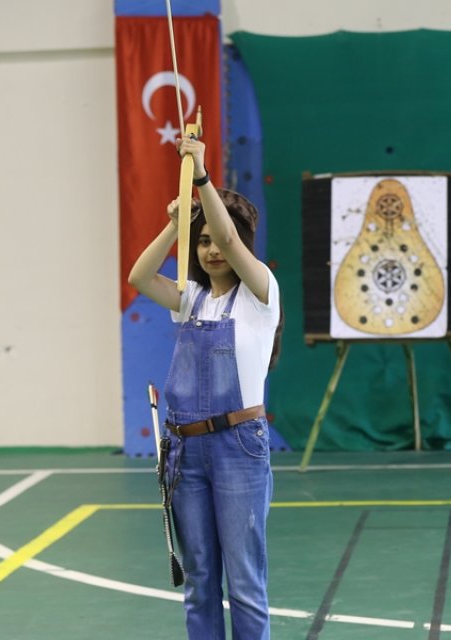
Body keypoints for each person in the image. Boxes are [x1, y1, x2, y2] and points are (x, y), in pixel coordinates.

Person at [128, 136, 281, 639]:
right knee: (199, 582)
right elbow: (139, 275)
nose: (213, 249)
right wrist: (175, 224)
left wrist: (200, 176)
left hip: (239, 446)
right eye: (203, 242)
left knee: (244, 584)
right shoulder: (189, 298)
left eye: (220, 239)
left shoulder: (261, 293)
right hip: (186, 451)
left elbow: (232, 243)